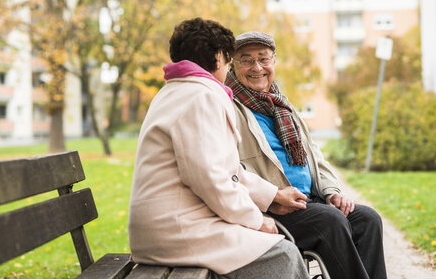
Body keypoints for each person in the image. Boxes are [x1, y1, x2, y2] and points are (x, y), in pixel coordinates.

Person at [128, 18, 310, 279]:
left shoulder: (177, 91)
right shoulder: (201, 96)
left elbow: (226, 169)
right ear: (217, 57)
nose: (228, 68)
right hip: (178, 231)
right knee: (283, 255)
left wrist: (273, 196)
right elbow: (209, 178)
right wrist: (257, 220)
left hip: (170, 226)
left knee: (279, 250)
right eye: (228, 60)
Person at [225, 31, 387, 279]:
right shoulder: (229, 108)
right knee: (331, 221)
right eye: (246, 60)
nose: (256, 67)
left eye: (263, 58)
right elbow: (230, 170)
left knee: (368, 219)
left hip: (309, 201)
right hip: (274, 209)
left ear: (274, 62)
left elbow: (315, 156)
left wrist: (331, 191)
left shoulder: (282, 105)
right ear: (233, 66)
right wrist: (273, 198)